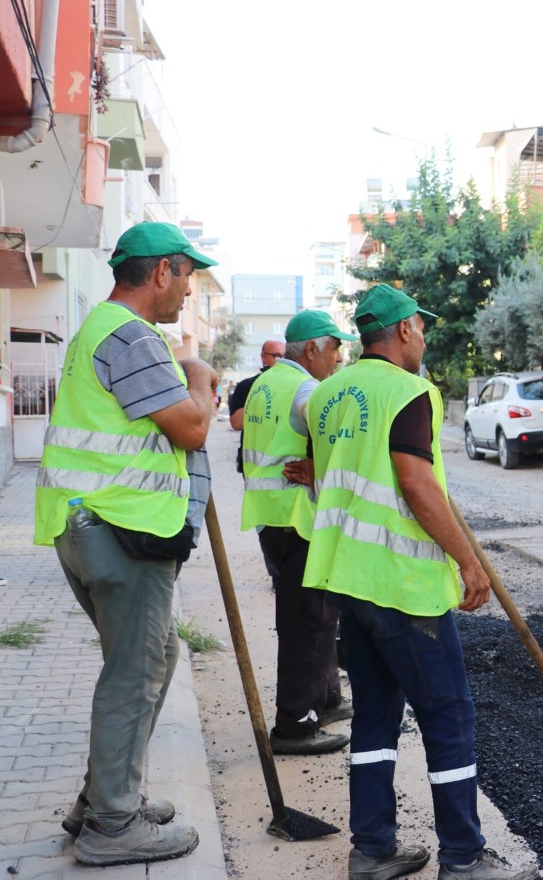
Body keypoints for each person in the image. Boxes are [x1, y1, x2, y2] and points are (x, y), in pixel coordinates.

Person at [301, 284, 536, 880]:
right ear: (404, 330)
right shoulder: (410, 392)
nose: (425, 338)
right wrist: (469, 562)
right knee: (449, 716)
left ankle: (372, 849)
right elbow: (416, 483)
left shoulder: (327, 394)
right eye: (421, 329)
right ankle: (462, 857)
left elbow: (326, 479)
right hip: (402, 584)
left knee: (375, 719)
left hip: (348, 580)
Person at [35, 221, 219, 866]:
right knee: (134, 671)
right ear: (161, 271)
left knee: (156, 656)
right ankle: (113, 827)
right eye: (187, 275)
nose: (189, 290)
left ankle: (104, 799)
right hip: (118, 526)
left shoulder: (107, 332)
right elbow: (192, 428)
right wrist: (199, 373)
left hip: (96, 524)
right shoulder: (131, 336)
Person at [241, 310, 358, 755]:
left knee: (312, 617)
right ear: (311, 349)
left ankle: (324, 699)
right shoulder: (307, 388)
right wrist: (322, 467)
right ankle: (295, 724)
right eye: (334, 348)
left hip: (271, 517)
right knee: (305, 624)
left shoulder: (265, 384)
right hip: (298, 520)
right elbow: (340, 439)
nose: (339, 357)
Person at [229, 339, 286, 471]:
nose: (280, 361)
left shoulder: (291, 385)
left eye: (283, 357)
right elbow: (236, 423)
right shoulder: (246, 386)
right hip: (254, 463)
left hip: (283, 458)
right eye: (276, 356)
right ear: (263, 357)